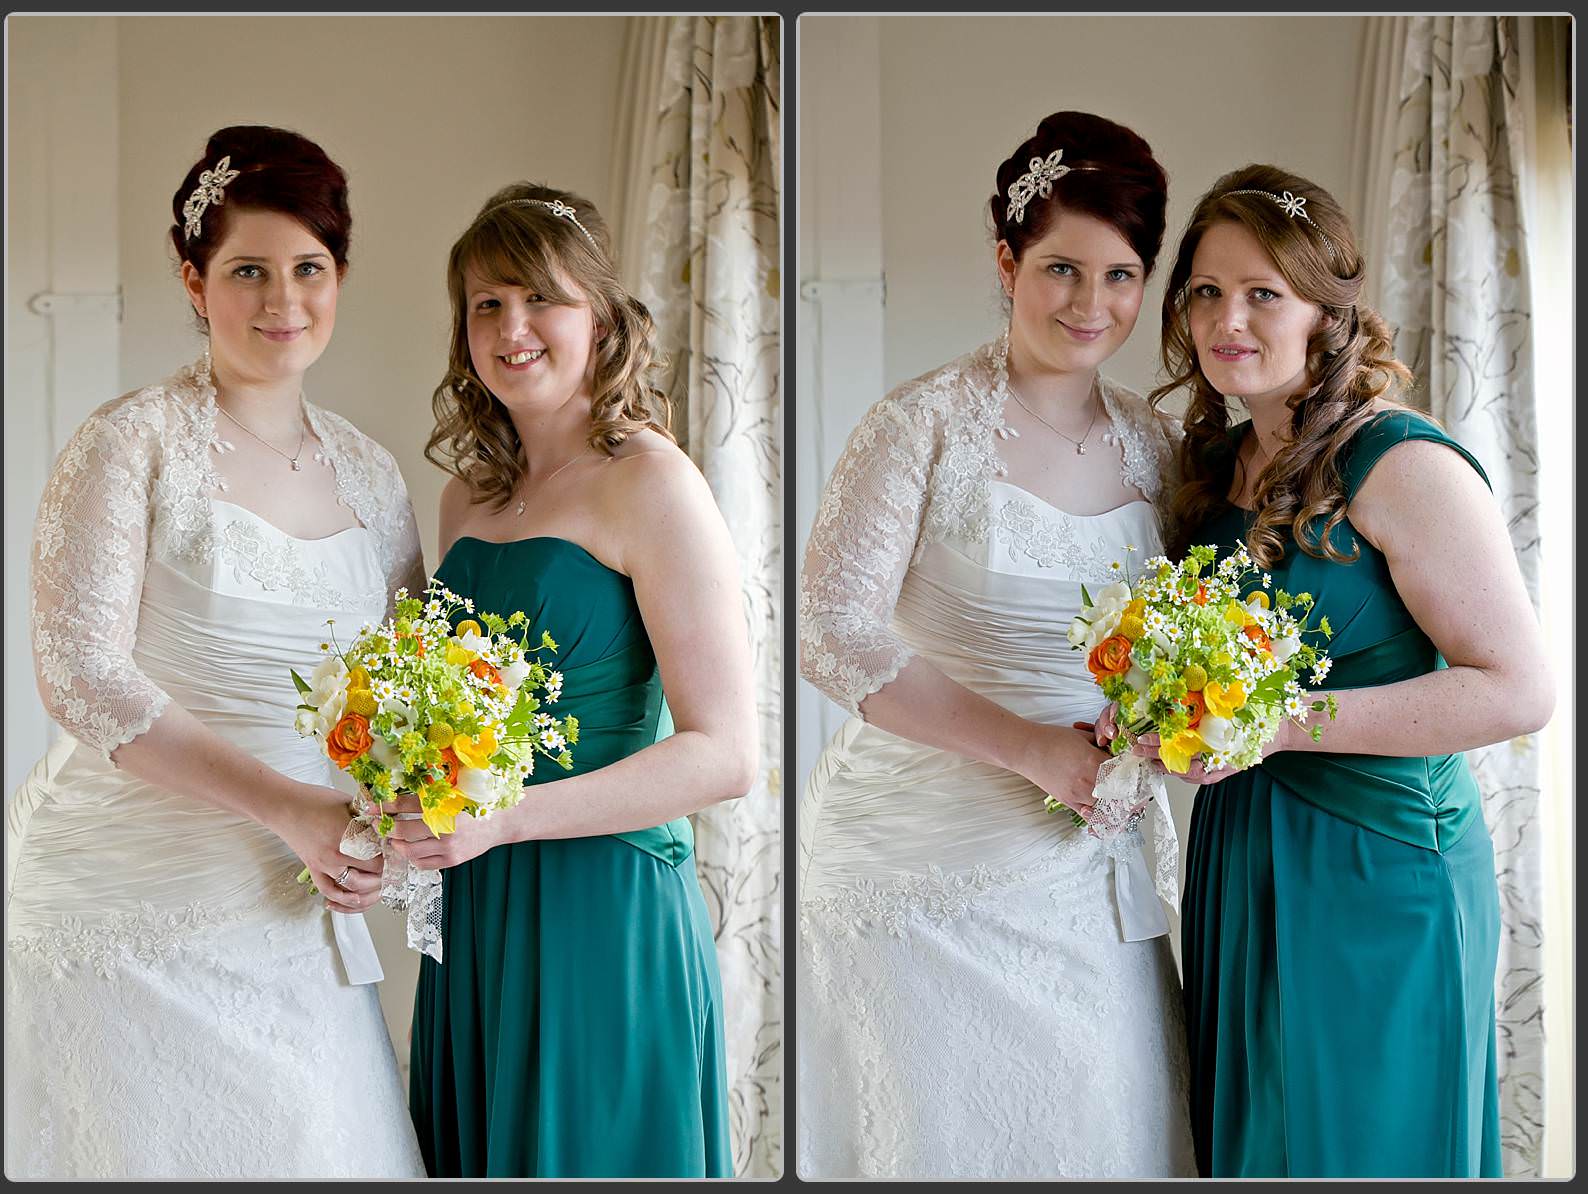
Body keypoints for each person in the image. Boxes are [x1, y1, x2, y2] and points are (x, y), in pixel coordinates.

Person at [2, 125, 428, 1179]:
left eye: (307, 270)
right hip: (125, 897)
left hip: (295, 901)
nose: (282, 299)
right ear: (194, 282)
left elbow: (412, 693)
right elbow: (83, 678)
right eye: (248, 270)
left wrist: (388, 816)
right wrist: (289, 809)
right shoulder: (128, 444)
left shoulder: (373, 478)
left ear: (339, 280)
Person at [794, 111, 1196, 1178]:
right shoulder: (917, 425)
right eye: (1063, 268)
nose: (1090, 304)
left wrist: (1149, 728)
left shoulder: (1161, 447)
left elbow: (1185, 638)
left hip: (1084, 866)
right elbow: (831, 633)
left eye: (1121, 276)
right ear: (1008, 260)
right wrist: (1034, 750)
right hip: (913, 868)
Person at [1143, 165, 1551, 1178]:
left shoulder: (1402, 466)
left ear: (1326, 316)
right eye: (1204, 290)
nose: (1226, 319)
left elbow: (1517, 687)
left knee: (1369, 1147)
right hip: (1244, 852)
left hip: (1383, 870)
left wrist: (1279, 724)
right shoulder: (1211, 472)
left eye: (1261, 294)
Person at [382, 181, 758, 1178]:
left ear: (599, 315)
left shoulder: (652, 480)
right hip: (480, 908)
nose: (512, 328)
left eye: (539, 298)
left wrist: (504, 818)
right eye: (486, 305)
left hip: (603, 905)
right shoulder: (467, 495)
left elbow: (725, 755)